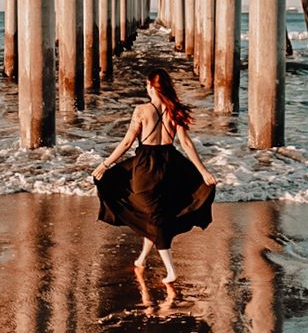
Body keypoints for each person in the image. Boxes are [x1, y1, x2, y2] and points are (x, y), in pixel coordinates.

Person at [92, 67, 216, 283]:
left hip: (145, 168)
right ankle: (141, 260)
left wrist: (106, 164)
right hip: (170, 166)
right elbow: (185, 143)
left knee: (155, 218)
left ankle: (171, 270)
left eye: (147, 84)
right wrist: (203, 171)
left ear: (151, 86)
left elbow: (128, 142)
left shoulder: (141, 110)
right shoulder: (173, 109)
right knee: (155, 215)